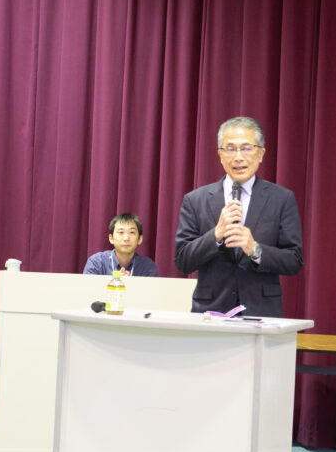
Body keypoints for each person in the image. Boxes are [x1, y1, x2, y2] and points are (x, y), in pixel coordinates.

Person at [174, 116, 303, 317]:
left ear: (261, 154)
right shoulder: (195, 200)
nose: (238, 157)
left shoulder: (281, 199)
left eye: (247, 148)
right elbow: (183, 261)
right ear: (220, 154)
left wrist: (255, 249)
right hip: (211, 313)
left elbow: (294, 261)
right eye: (230, 149)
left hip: (261, 313)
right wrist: (216, 235)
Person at [84, 213, 159, 276]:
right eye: (121, 232)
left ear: (140, 239)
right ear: (111, 238)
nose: (126, 238)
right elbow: (88, 288)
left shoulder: (148, 266)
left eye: (132, 232)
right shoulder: (96, 262)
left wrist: (131, 284)